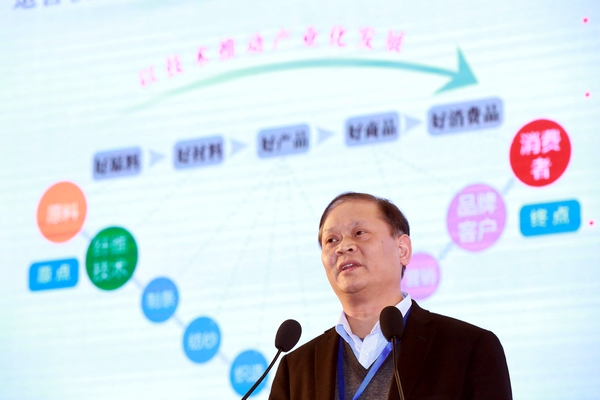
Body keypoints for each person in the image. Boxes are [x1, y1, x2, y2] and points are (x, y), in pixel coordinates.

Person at [269, 192, 512, 400]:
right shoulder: (295, 369)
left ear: (402, 249)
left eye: (359, 232)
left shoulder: (468, 348)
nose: (343, 247)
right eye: (331, 240)